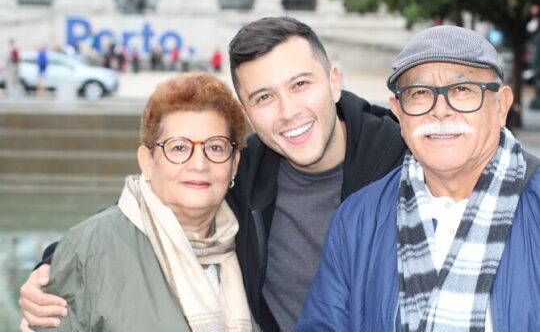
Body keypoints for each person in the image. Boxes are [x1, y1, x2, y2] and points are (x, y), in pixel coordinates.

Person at [19, 17, 407, 331]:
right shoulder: (243, 171)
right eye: (264, 97)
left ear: (334, 82)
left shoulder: (402, 159)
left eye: (301, 84)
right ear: (248, 112)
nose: (288, 111)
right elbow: (154, 206)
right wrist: (55, 265)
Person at [296, 25, 540, 331]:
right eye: (420, 93)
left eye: (462, 90)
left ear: (502, 105)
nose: (440, 111)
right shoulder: (356, 220)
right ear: (398, 111)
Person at [30, 72, 259, 331]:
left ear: (234, 165)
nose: (199, 164)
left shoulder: (250, 246)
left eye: (215, 147)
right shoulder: (90, 249)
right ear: (147, 162)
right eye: (179, 148)